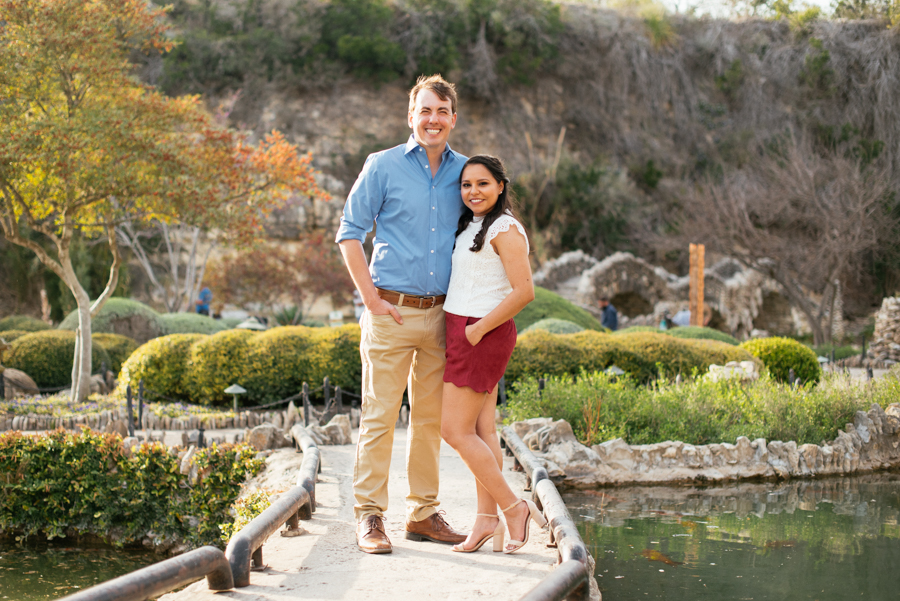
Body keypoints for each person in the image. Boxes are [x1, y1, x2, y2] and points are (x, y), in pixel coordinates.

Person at [336, 74, 468, 554]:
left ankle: (423, 514)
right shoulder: (383, 166)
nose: (433, 120)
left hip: (441, 315)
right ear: (411, 116)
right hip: (390, 311)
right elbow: (350, 233)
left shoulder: (465, 172)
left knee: (429, 419)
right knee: (379, 416)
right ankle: (370, 516)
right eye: (425, 110)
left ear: (453, 118)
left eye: (442, 111)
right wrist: (372, 301)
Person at [440, 155, 546, 554]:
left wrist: (478, 330)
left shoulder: (505, 227)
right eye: (466, 185)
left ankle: (512, 508)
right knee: (483, 431)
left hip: (480, 333)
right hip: (464, 330)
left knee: (453, 430)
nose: (473, 192)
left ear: (501, 186)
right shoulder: (471, 226)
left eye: (482, 184)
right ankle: (487, 521)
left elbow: (525, 291)